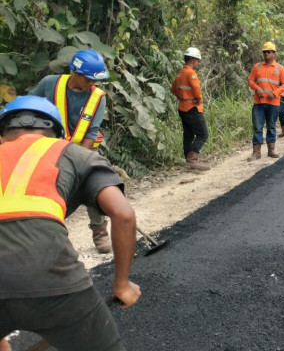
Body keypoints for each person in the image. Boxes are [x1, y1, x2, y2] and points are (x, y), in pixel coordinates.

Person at [0, 96, 141, 350]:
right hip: (56, 284)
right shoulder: (76, 154)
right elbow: (123, 215)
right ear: (56, 134)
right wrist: (121, 284)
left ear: (2, 135)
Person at [28, 48, 113, 254]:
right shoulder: (49, 84)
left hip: (79, 149)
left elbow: (92, 133)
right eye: (88, 80)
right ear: (76, 73)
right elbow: (28, 108)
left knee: (95, 176)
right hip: (45, 148)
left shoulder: (98, 97)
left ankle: (99, 229)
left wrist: (80, 162)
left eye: (96, 81)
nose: (92, 84)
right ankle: (50, 233)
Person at [247, 42, 284, 161]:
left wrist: (275, 93)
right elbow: (250, 81)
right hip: (259, 103)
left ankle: (271, 150)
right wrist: (257, 88)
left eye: (269, 52)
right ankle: (256, 152)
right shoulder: (257, 67)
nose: (266, 54)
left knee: (271, 126)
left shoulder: (280, 69)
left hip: (273, 103)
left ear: (274, 53)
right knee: (257, 127)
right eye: (264, 52)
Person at [171, 47, 210, 172]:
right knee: (203, 134)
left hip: (182, 107)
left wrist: (182, 97)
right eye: (198, 61)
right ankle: (192, 158)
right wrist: (198, 99)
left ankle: (188, 159)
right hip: (192, 108)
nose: (198, 63)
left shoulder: (180, 73)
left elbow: (173, 89)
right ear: (194, 61)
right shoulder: (191, 73)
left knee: (188, 135)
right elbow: (196, 88)